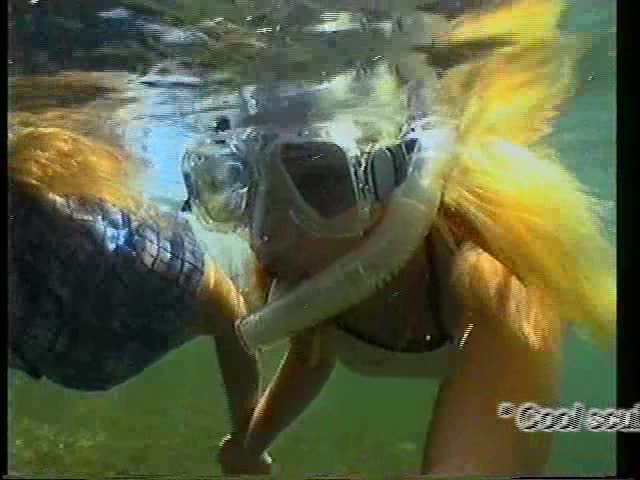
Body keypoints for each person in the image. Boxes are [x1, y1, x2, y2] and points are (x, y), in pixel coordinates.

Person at [181, 0, 616, 475]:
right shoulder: (315, 272)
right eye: (248, 187)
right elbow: (310, 358)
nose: (268, 235)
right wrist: (252, 444)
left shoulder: (492, 280)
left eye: (322, 181)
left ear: (402, 181)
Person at [7, 127, 270, 467]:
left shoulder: (125, 253)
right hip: (77, 343)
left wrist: (248, 435)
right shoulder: (129, 252)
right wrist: (247, 436)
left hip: (96, 324)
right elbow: (231, 318)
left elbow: (231, 315)